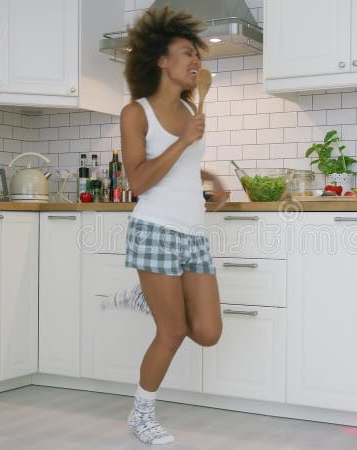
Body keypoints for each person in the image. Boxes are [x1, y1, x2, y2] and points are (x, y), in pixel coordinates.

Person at [117, 6, 226, 445]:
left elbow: (180, 167)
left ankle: (149, 298)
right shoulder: (136, 113)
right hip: (156, 229)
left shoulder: (188, 107)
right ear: (161, 59)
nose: (195, 61)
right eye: (186, 53)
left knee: (208, 332)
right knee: (174, 331)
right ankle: (141, 415)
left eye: (196, 54)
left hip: (193, 233)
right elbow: (139, 180)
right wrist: (184, 140)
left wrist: (210, 177)